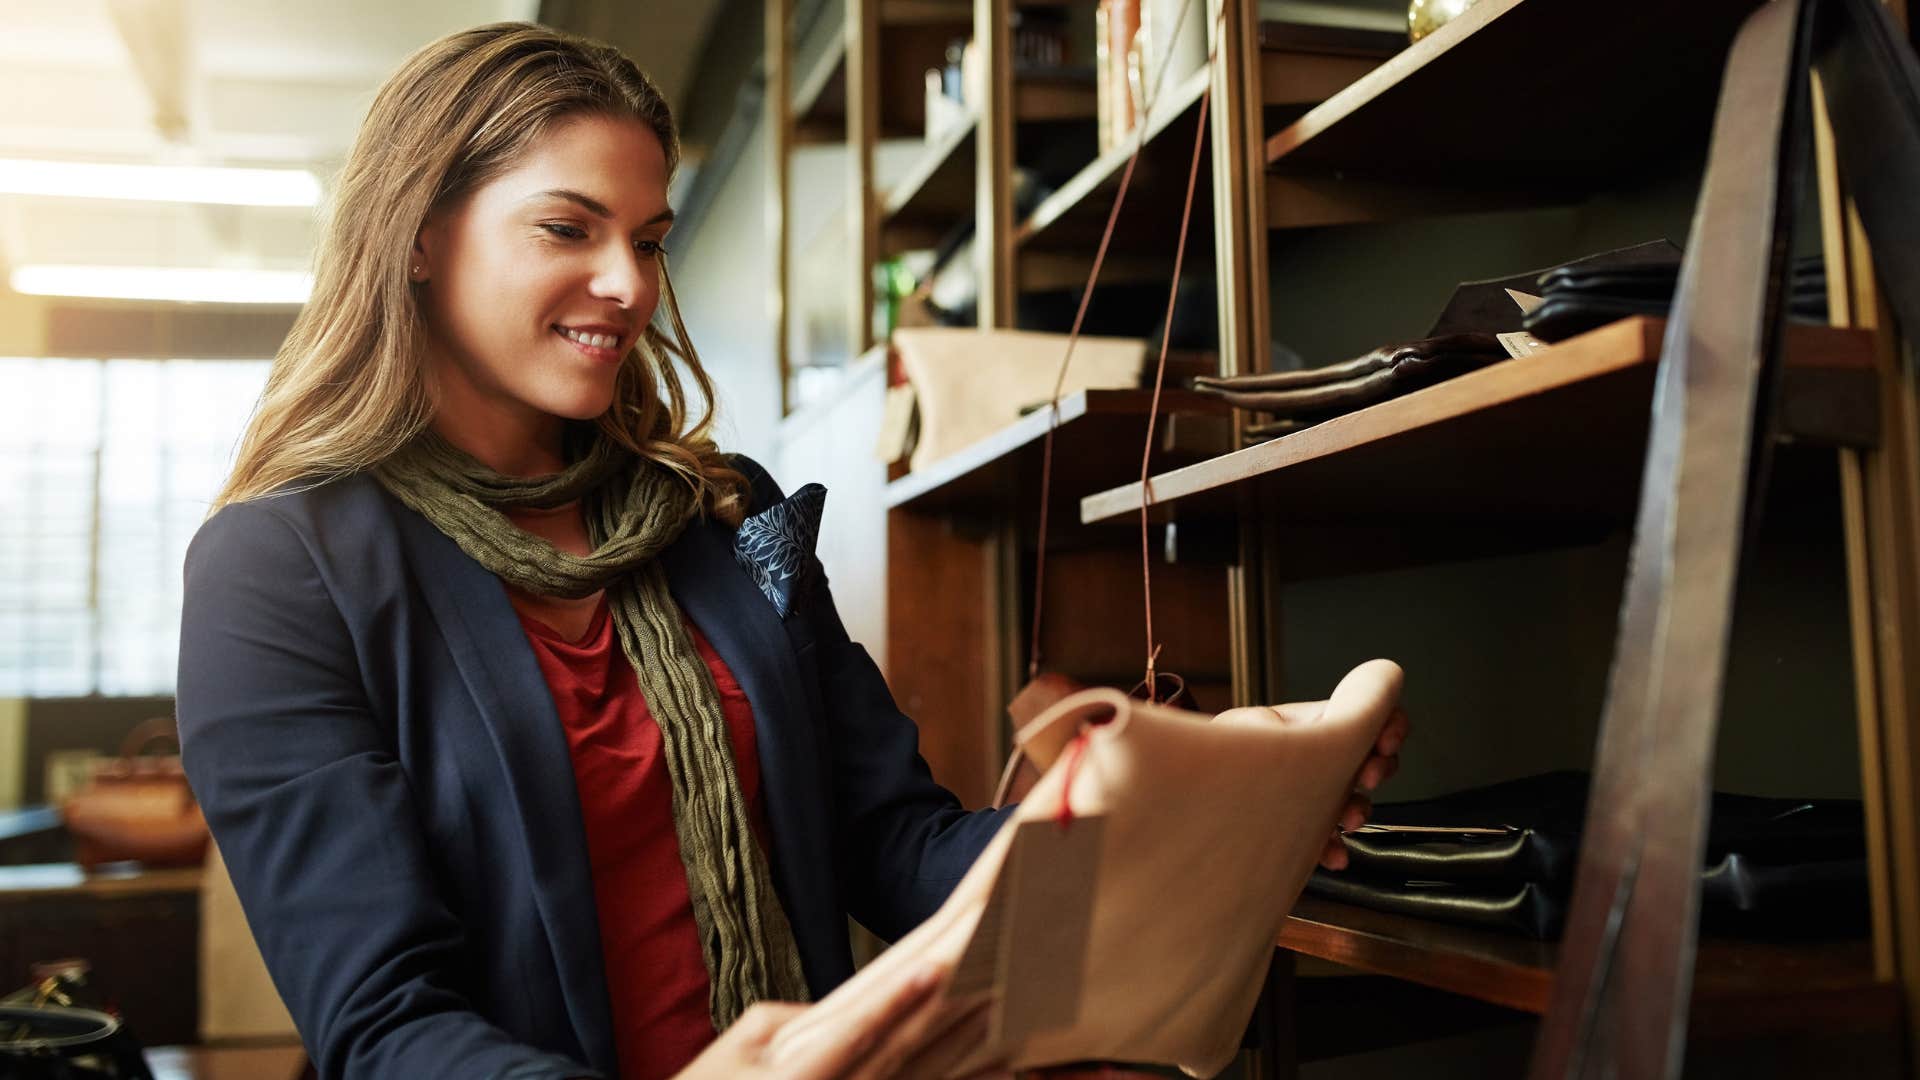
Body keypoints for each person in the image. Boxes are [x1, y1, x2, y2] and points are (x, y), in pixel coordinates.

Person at [174, 22, 1407, 1080]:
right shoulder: (278, 571)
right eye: (568, 229)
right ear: (419, 235)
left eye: (649, 240)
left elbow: (898, 844)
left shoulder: (721, 512)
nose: (628, 285)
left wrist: (1190, 818)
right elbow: (384, 1029)